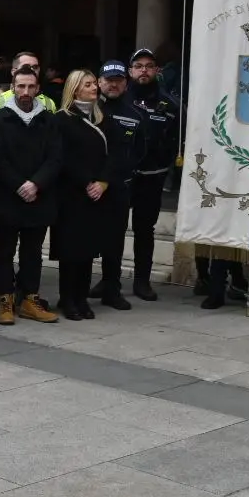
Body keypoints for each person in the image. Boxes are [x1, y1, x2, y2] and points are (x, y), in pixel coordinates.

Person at [0, 69, 62, 325]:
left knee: (33, 251)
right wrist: (19, 184)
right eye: (20, 86)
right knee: (5, 250)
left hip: (39, 196)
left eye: (30, 87)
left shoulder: (49, 120)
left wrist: (36, 183)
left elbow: (56, 157)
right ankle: (5, 298)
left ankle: (29, 298)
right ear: (12, 88)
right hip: (7, 196)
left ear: (38, 88)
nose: (25, 92)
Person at [51, 70, 114, 320]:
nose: (93, 88)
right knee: (70, 251)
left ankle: (81, 298)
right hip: (71, 194)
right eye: (87, 84)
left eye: (93, 84)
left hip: (97, 195)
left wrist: (102, 182)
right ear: (75, 89)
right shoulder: (62, 120)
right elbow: (62, 157)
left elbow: (114, 155)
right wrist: (86, 181)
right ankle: (68, 299)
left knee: (88, 250)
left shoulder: (103, 119)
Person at [124, 48, 179, 300]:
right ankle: (108, 280)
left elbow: (178, 140)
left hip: (152, 177)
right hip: (121, 178)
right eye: (138, 66)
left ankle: (142, 281)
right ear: (130, 71)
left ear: (157, 70)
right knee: (113, 230)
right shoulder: (118, 99)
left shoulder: (169, 103)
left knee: (145, 230)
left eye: (148, 66)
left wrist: (166, 169)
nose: (143, 70)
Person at [94, 60, 138, 311]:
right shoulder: (89, 109)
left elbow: (138, 150)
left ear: (125, 82)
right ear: (99, 82)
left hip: (118, 187)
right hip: (88, 187)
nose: (113, 84)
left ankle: (112, 287)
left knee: (114, 241)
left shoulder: (134, 114)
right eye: (108, 80)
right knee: (88, 239)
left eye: (118, 80)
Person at [0, 51, 57, 118]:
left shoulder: (49, 103)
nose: (31, 70)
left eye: (35, 67)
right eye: (25, 67)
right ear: (13, 71)